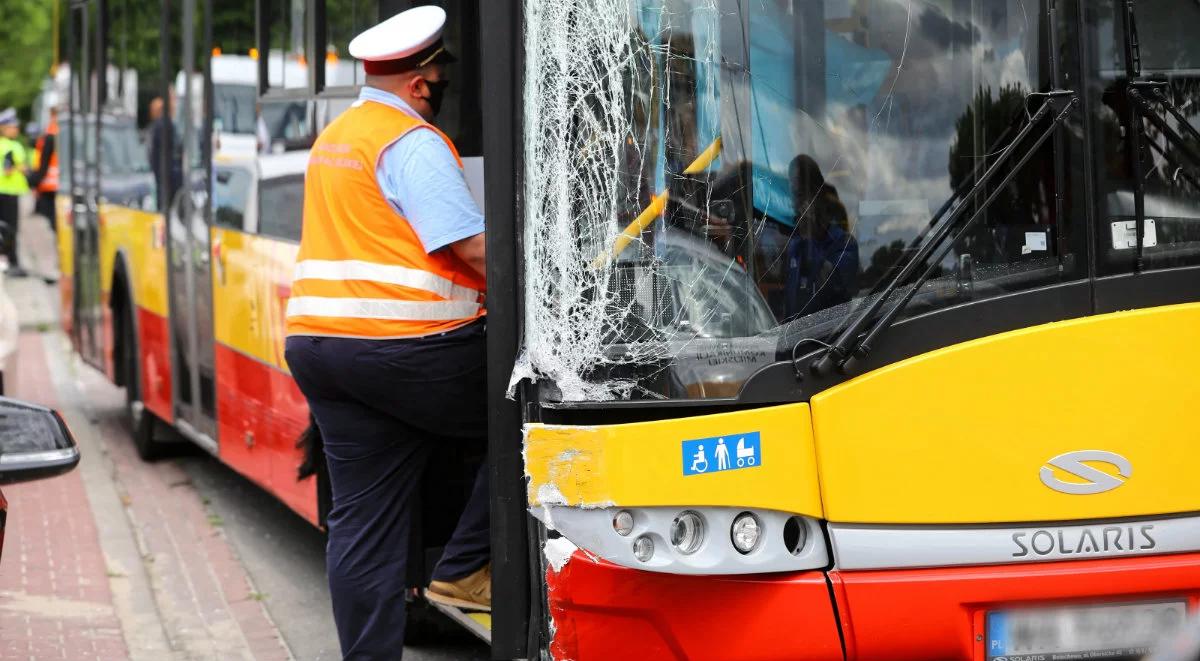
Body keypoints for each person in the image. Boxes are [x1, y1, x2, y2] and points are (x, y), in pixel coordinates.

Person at [282, 6, 489, 659]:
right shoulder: (413, 142)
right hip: (405, 354)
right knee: (535, 409)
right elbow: (473, 249)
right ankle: (464, 566)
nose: (441, 86)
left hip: (321, 352)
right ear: (421, 82)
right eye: (441, 74)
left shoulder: (338, 137)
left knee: (362, 523)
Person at [784, 155, 859, 319]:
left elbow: (830, 286)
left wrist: (811, 233)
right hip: (794, 340)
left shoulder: (845, 245)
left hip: (834, 339)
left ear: (817, 194)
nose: (798, 203)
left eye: (802, 193)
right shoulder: (795, 247)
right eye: (794, 194)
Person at [0, 109, 30, 277]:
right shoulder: (10, 146)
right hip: (8, 193)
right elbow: (8, 169)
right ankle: (12, 262)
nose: (16, 129)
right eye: (12, 126)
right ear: (4, 128)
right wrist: (22, 168)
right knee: (10, 229)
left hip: (4, 192)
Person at [28, 106, 59, 230]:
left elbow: (43, 163)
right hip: (57, 184)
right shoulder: (60, 132)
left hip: (50, 184)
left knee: (53, 220)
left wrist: (33, 182)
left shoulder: (50, 134)